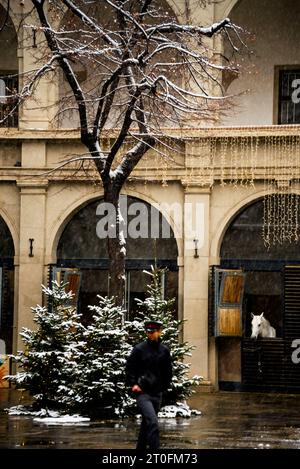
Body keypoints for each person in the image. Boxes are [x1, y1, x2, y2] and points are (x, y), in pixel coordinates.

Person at [125, 320, 172, 452]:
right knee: (152, 423)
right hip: (142, 393)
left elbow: (168, 371)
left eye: (153, 332)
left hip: (157, 393)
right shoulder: (139, 349)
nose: (150, 334)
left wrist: (164, 387)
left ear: (159, 332)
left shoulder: (164, 350)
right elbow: (130, 368)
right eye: (148, 332)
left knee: (146, 425)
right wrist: (134, 384)